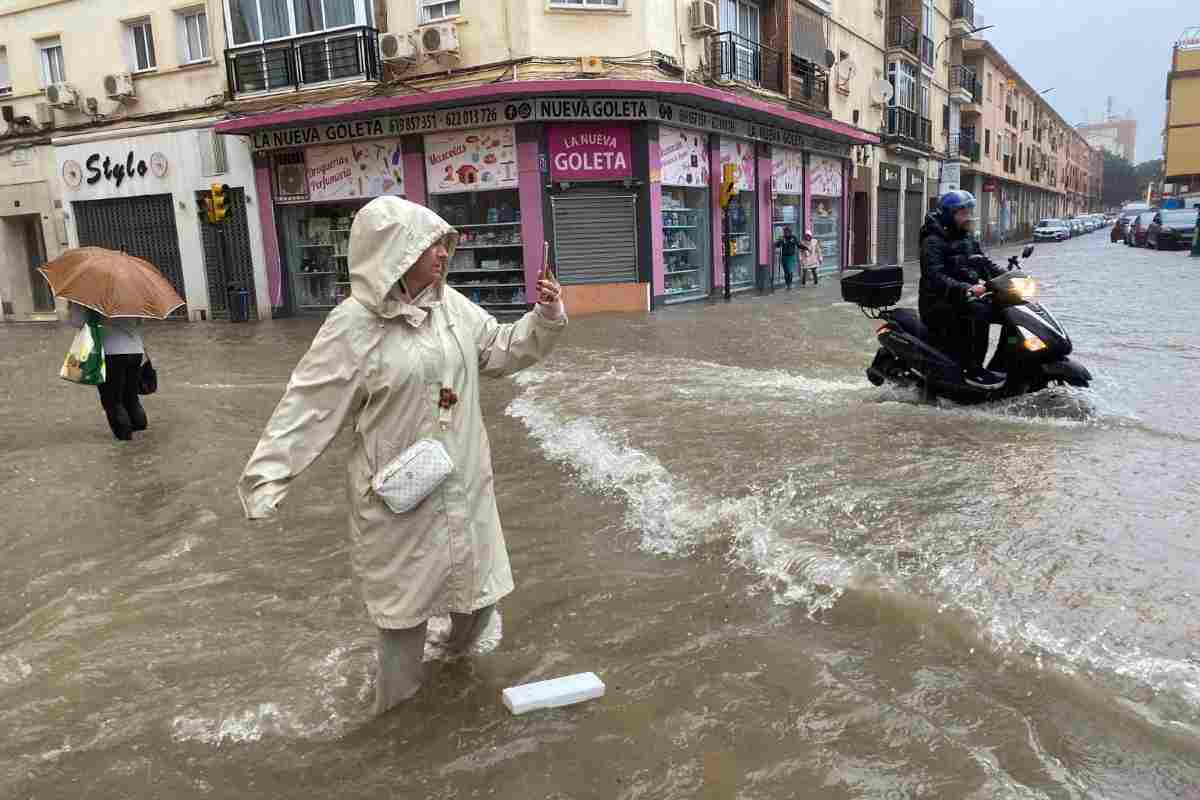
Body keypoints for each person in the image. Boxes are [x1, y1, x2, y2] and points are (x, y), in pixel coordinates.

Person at [237, 196, 567, 715]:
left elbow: (500, 349)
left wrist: (544, 317)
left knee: (477, 599)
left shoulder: (451, 308)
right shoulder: (353, 326)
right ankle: (395, 721)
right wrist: (268, 477)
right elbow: (309, 403)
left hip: (462, 483)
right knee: (403, 618)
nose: (442, 253)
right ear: (394, 252)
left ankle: (450, 676)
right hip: (399, 498)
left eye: (443, 243)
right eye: (430, 244)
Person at [918, 190, 1007, 389]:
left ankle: (1005, 364)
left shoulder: (967, 237)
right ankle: (973, 370)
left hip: (964, 297)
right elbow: (935, 276)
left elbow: (984, 263)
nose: (968, 216)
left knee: (1006, 310)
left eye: (969, 211)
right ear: (950, 214)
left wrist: (1008, 277)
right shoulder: (932, 241)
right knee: (980, 312)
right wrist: (967, 288)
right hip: (939, 302)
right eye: (963, 213)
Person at [69, 302, 147, 441]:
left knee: (113, 400)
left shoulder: (88, 297)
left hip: (110, 351)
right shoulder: (132, 294)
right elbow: (139, 321)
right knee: (131, 396)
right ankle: (140, 432)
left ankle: (125, 441)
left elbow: (77, 322)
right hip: (135, 350)